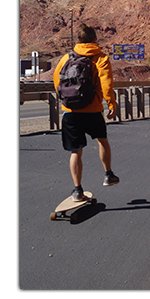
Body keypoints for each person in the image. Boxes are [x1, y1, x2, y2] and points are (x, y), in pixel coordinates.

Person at [53, 23, 120, 201]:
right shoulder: (101, 58)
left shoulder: (66, 58)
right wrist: (111, 104)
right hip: (92, 110)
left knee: (76, 151)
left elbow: (56, 80)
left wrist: (66, 100)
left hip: (70, 111)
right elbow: (107, 84)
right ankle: (108, 175)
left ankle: (77, 190)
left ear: (79, 40)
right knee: (102, 141)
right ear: (95, 39)